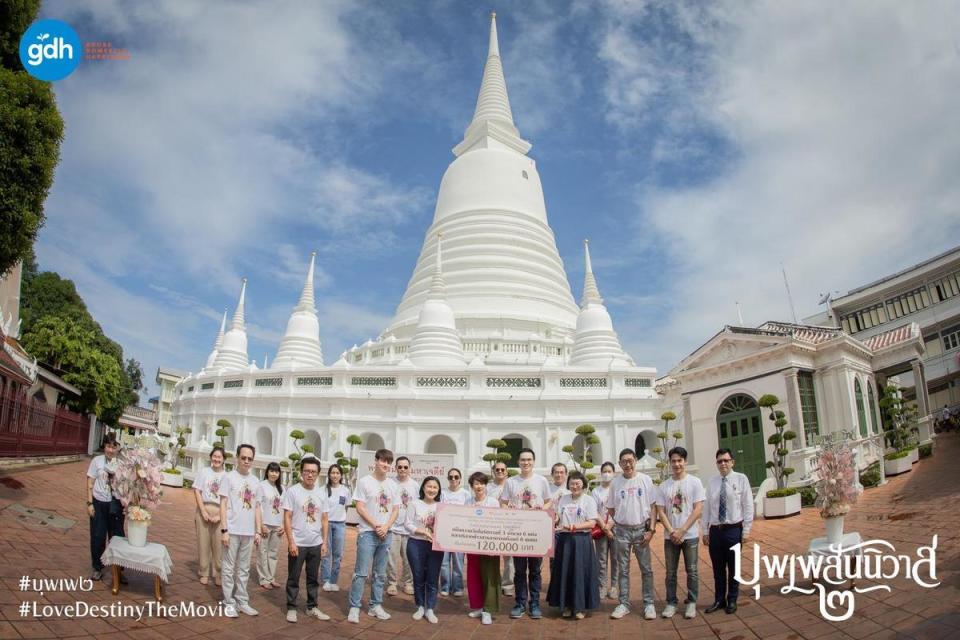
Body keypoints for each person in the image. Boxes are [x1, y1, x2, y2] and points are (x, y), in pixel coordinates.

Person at [347, 448, 400, 624]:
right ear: (375, 461)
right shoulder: (364, 482)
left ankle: (375, 605)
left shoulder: (393, 485)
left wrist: (386, 526)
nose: (385, 465)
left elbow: (395, 509)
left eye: (388, 462)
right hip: (367, 533)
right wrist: (376, 525)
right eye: (382, 461)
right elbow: (360, 507)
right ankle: (354, 606)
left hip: (386, 533)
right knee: (361, 572)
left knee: (380, 573)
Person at [500, 447, 552, 619]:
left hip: (536, 532)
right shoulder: (511, 482)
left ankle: (535, 604)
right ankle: (520, 603)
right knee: (520, 570)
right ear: (518, 462)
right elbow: (504, 503)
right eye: (523, 460)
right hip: (518, 532)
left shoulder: (541, 481)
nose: (526, 462)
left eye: (529, 460)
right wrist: (511, 510)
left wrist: (541, 510)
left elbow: (548, 502)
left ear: (534, 461)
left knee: (536, 570)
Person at [607, 448, 658, 621]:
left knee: (646, 569)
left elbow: (653, 506)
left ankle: (649, 603)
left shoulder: (645, 480)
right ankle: (623, 603)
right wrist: (621, 521)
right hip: (622, 531)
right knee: (623, 568)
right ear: (619, 464)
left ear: (635, 460)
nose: (627, 464)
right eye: (623, 461)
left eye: (630, 460)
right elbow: (611, 508)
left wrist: (651, 529)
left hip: (641, 530)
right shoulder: (616, 483)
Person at [702, 448, 753, 615]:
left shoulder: (741, 479)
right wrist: (705, 530)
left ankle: (732, 599)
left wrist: (746, 531)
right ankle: (719, 599)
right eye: (719, 461)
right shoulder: (712, 482)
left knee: (733, 568)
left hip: (733, 530)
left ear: (732, 462)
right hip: (716, 531)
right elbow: (707, 508)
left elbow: (748, 505)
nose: (723, 463)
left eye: (726, 460)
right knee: (718, 569)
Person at [656, 447, 704, 619]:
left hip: (689, 535)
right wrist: (672, 531)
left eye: (680, 460)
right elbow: (660, 511)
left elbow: (698, 509)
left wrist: (682, 530)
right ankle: (671, 602)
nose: (676, 464)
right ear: (669, 463)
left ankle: (691, 602)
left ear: (685, 462)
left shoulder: (695, 482)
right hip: (671, 537)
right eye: (673, 461)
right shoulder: (664, 486)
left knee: (692, 570)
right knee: (670, 572)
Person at [283, 457, 331, 623]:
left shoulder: (321, 493)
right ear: (301, 472)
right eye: (307, 471)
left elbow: (325, 518)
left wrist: (324, 542)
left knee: (312, 578)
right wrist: (291, 541)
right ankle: (291, 607)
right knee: (294, 577)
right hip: (298, 543)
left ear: (318, 474)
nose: (310, 475)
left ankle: (312, 607)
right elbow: (287, 517)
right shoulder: (293, 491)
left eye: (313, 472)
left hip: (315, 543)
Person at [547, 471, 599, 619]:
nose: (575, 486)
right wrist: (553, 518)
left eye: (578, 483)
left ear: (583, 485)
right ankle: (567, 605)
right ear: (568, 484)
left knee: (581, 572)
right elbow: (558, 516)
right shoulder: (563, 499)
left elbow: (592, 522)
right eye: (572, 483)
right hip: (564, 540)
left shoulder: (588, 500)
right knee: (566, 572)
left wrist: (575, 527)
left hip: (581, 540)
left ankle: (580, 607)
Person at [219, 443, 263, 617]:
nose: (246, 461)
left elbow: (257, 507)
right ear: (237, 457)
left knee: (244, 568)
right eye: (243, 457)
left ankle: (242, 600)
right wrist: (224, 530)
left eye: (249, 459)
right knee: (229, 567)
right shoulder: (228, 477)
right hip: (232, 529)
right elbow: (222, 504)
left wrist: (258, 531)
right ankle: (228, 601)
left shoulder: (255, 481)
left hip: (248, 532)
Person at [405, 476, 444, 624]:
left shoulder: (442, 507)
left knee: (433, 578)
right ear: (423, 488)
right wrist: (423, 532)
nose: (432, 490)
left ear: (438, 490)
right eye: (429, 486)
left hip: (435, 546)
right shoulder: (414, 504)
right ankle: (420, 606)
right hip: (416, 544)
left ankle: (430, 608)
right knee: (419, 576)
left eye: (435, 487)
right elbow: (407, 524)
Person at [87, 433, 124, 581]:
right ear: (104, 446)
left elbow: (128, 486)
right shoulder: (97, 461)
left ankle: (118, 571)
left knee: (118, 537)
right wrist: (89, 503)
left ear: (117, 448)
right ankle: (97, 567)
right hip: (99, 502)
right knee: (97, 536)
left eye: (113, 447)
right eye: (108, 446)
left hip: (116, 504)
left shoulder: (122, 464)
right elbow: (90, 482)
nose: (110, 450)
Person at [465, 471, 500, 625]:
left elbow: (498, 523)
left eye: (481, 483)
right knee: (474, 576)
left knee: (489, 576)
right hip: (472, 545)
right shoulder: (468, 502)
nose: (479, 486)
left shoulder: (493, 502)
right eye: (476, 483)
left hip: (489, 545)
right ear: (472, 486)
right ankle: (478, 606)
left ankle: (488, 610)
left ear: (486, 485)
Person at [194, 447, 227, 586]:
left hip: (221, 511)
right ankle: (204, 572)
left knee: (219, 545)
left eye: (219, 457)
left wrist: (220, 515)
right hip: (204, 508)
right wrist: (203, 511)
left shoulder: (227, 476)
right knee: (203, 543)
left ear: (224, 459)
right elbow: (197, 491)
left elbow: (228, 498)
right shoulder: (204, 472)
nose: (217, 459)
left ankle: (218, 573)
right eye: (214, 456)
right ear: (211, 457)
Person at [387, 456, 418, 596]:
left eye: (405, 467)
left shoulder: (415, 486)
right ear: (395, 468)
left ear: (410, 468)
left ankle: (408, 583)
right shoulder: (390, 483)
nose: (402, 469)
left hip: (409, 529)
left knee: (408, 559)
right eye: (400, 467)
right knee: (391, 558)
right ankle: (392, 583)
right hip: (393, 528)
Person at [440, 467, 470, 597]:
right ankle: (445, 586)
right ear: (448, 479)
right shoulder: (442, 493)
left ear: (460, 479)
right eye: (451, 477)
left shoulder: (466, 494)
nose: (453, 479)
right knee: (444, 563)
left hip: (459, 533)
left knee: (458, 563)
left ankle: (458, 587)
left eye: (456, 477)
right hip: (445, 533)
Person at [591, 461, 619, 600]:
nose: (607, 474)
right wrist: (604, 526)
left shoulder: (617, 488)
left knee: (616, 558)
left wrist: (610, 526)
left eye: (609, 471)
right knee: (601, 559)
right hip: (601, 529)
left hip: (616, 529)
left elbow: (619, 509)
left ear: (613, 473)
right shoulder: (596, 491)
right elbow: (594, 511)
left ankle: (614, 586)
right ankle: (601, 586)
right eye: (604, 471)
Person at [486, 461, 514, 596]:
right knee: (492, 557)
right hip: (492, 526)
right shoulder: (488, 487)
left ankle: (508, 584)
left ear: (507, 471)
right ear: (493, 471)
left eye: (503, 469)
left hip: (509, 526)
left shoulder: (512, 484)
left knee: (509, 558)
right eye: (497, 470)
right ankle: (493, 584)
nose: (500, 472)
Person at [256, 462, 285, 590]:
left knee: (273, 553)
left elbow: (285, 507)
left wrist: (283, 524)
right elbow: (258, 507)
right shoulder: (261, 486)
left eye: (276, 472)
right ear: (267, 472)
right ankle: (263, 578)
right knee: (262, 552)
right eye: (272, 471)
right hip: (265, 524)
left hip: (277, 525)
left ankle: (271, 577)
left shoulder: (282, 488)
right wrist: (261, 524)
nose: (274, 474)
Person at [320, 463, 349, 592]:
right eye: (333, 473)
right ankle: (326, 580)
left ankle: (333, 581)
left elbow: (346, 506)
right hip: (327, 524)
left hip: (340, 524)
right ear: (329, 474)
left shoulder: (345, 490)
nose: (335, 475)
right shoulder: (323, 490)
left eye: (337, 473)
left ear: (341, 475)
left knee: (338, 554)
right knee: (326, 553)